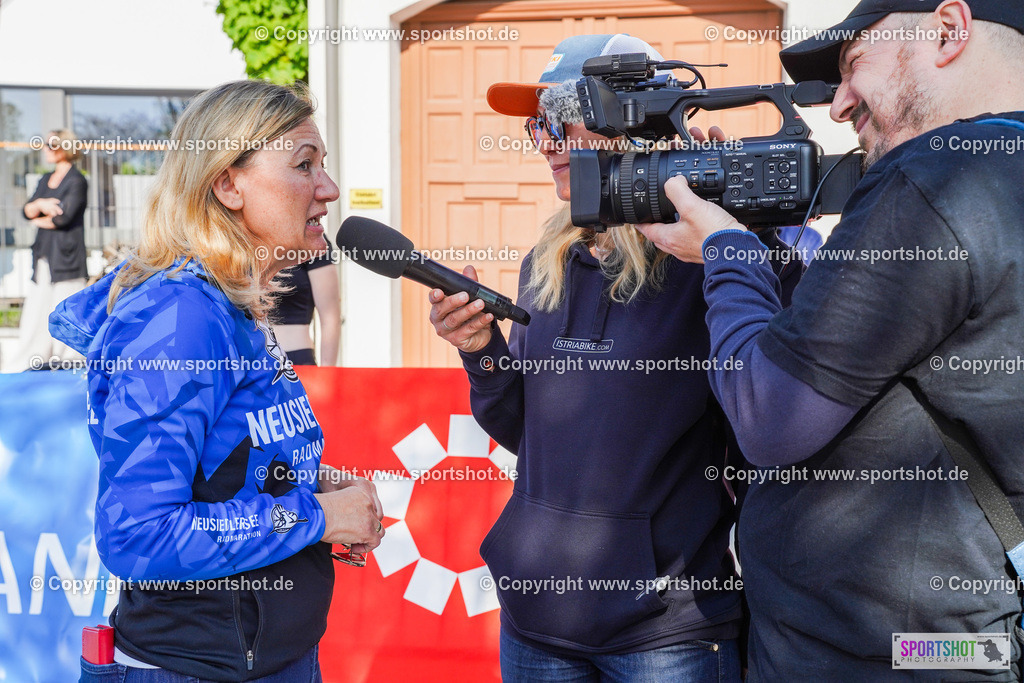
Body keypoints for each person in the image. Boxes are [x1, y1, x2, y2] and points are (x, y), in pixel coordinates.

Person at [633, 0, 1024, 679]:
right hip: (960, 645)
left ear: (949, 31)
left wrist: (728, 250)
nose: (840, 105)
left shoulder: (932, 178)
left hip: (866, 656)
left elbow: (770, 415)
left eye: (853, 64)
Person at [427, 34, 800, 681]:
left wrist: (745, 233)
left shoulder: (708, 256)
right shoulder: (547, 261)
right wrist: (480, 350)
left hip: (667, 635)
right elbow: (527, 434)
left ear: (635, 122)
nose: (543, 141)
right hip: (536, 626)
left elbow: (775, 414)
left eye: (559, 119)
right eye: (534, 125)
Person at [49, 80, 385, 680]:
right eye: (304, 165)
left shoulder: (230, 303)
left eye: (323, 166)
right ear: (228, 185)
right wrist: (317, 516)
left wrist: (308, 481)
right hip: (192, 667)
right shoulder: (182, 318)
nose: (329, 189)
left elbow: (222, 469)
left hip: (272, 660)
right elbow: (139, 537)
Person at [8, 128, 88, 372]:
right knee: (37, 309)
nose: (46, 149)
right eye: (45, 144)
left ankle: (68, 361)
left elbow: (62, 218)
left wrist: (37, 216)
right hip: (43, 254)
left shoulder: (77, 181)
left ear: (66, 148)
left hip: (67, 258)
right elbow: (26, 211)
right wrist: (41, 204)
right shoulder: (45, 179)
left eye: (52, 144)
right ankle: (34, 358)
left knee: (66, 307)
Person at [270, 239, 341, 366]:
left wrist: (327, 373)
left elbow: (330, 318)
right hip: (246, 361)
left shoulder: (312, 237)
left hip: (295, 358)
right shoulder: (241, 238)